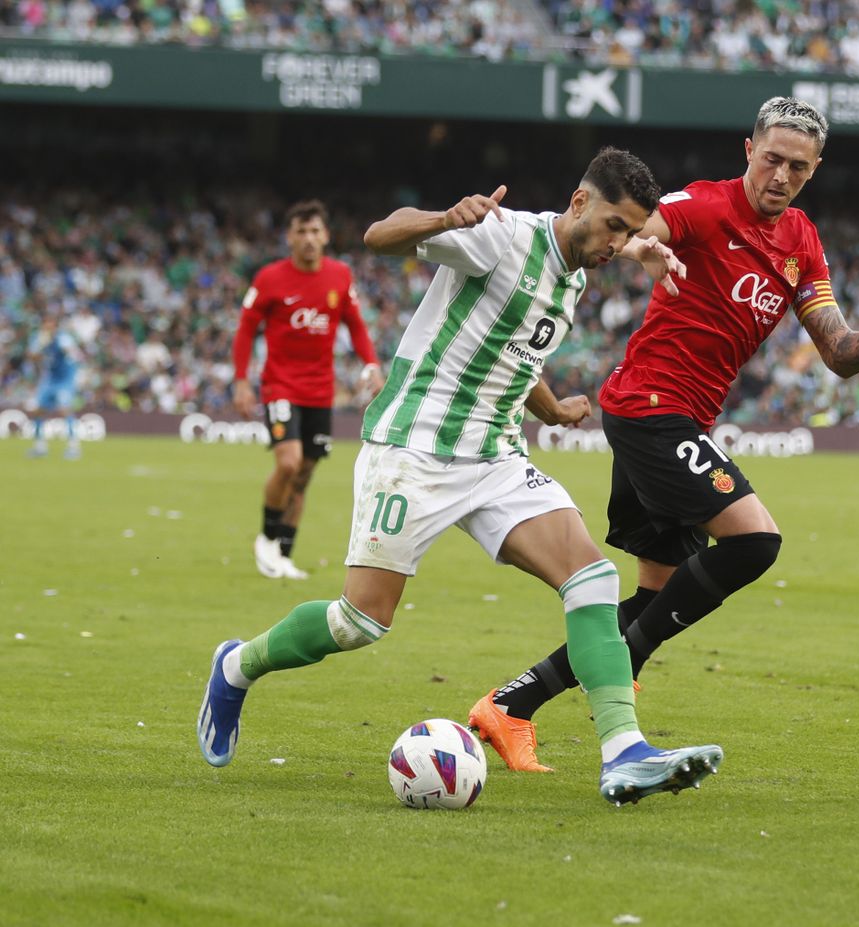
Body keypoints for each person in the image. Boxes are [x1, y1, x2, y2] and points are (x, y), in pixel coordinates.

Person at [198, 148, 723, 806]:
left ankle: (625, 751)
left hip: (496, 457)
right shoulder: (502, 237)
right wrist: (443, 218)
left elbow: (511, 350)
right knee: (359, 621)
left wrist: (552, 407)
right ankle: (237, 664)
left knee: (591, 577)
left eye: (632, 232)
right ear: (581, 202)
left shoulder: (574, 278)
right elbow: (379, 236)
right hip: (413, 448)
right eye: (616, 226)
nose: (620, 244)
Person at [467, 97, 859, 773]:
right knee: (756, 538)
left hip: (681, 419)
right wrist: (648, 246)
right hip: (650, 408)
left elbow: (835, 348)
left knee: (656, 596)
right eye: (772, 158)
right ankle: (629, 666)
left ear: (814, 169)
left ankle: (510, 704)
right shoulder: (706, 206)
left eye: (798, 166)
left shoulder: (801, 241)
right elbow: (634, 226)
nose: (782, 175)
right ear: (748, 150)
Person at [232, 199, 384, 580]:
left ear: (326, 236)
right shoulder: (269, 278)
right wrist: (240, 380)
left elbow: (357, 326)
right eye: (301, 232)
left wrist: (371, 365)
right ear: (289, 238)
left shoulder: (339, 277)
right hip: (280, 385)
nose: (309, 239)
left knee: (304, 475)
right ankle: (266, 537)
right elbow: (246, 329)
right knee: (288, 462)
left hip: (320, 391)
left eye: (315, 231)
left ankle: (283, 554)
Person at [25, 314, 83, 460]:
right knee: (39, 411)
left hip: (64, 379)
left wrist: (53, 343)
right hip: (49, 379)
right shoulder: (38, 338)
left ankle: (73, 447)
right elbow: (31, 356)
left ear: (55, 326)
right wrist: (40, 346)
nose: (47, 327)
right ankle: (40, 447)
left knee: (64, 410)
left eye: (50, 324)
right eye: (45, 324)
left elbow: (67, 350)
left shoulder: (63, 337)